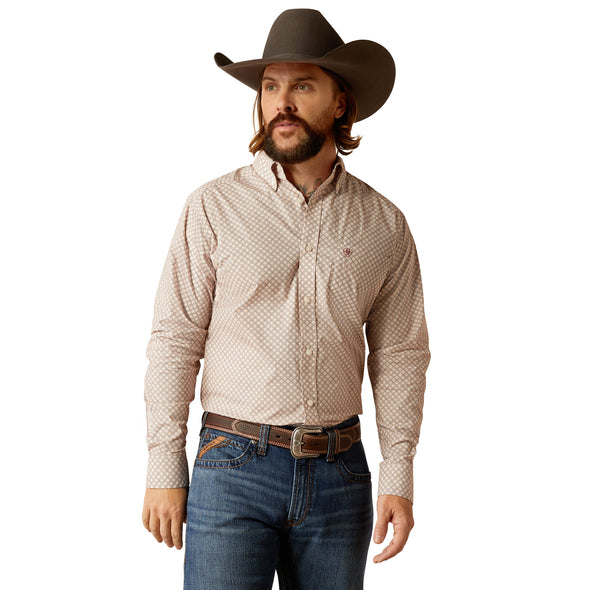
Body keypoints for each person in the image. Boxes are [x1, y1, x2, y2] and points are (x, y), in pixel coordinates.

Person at [141, 9, 430, 589]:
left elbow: (400, 354)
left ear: (340, 102)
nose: (282, 103)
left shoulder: (384, 224)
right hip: (232, 466)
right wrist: (163, 464)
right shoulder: (213, 208)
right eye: (271, 86)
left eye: (302, 86)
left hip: (341, 476)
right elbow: (176, 340)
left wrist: (398, 473)